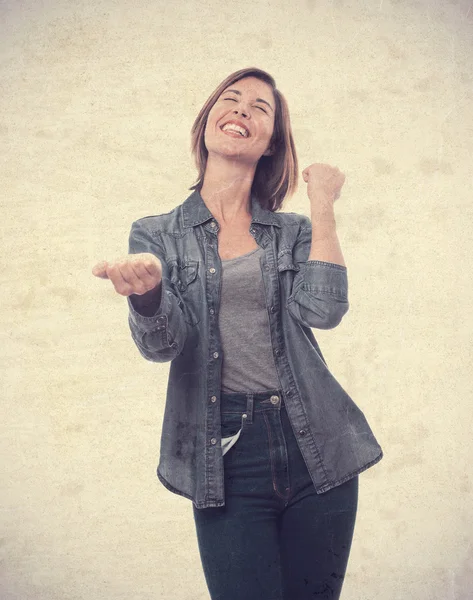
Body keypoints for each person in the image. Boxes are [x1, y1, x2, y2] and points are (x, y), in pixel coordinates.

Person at [92, 67, 383, 600]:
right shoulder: (155, 234)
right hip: (224, 450)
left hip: (317, 439)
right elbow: (162, 346)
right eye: (231, 99)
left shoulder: (293, 231)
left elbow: (324, 309)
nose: (242, 110)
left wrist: (321, 206)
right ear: (208, 122)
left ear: (272, 142)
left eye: (260, 107)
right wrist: (149, 294)